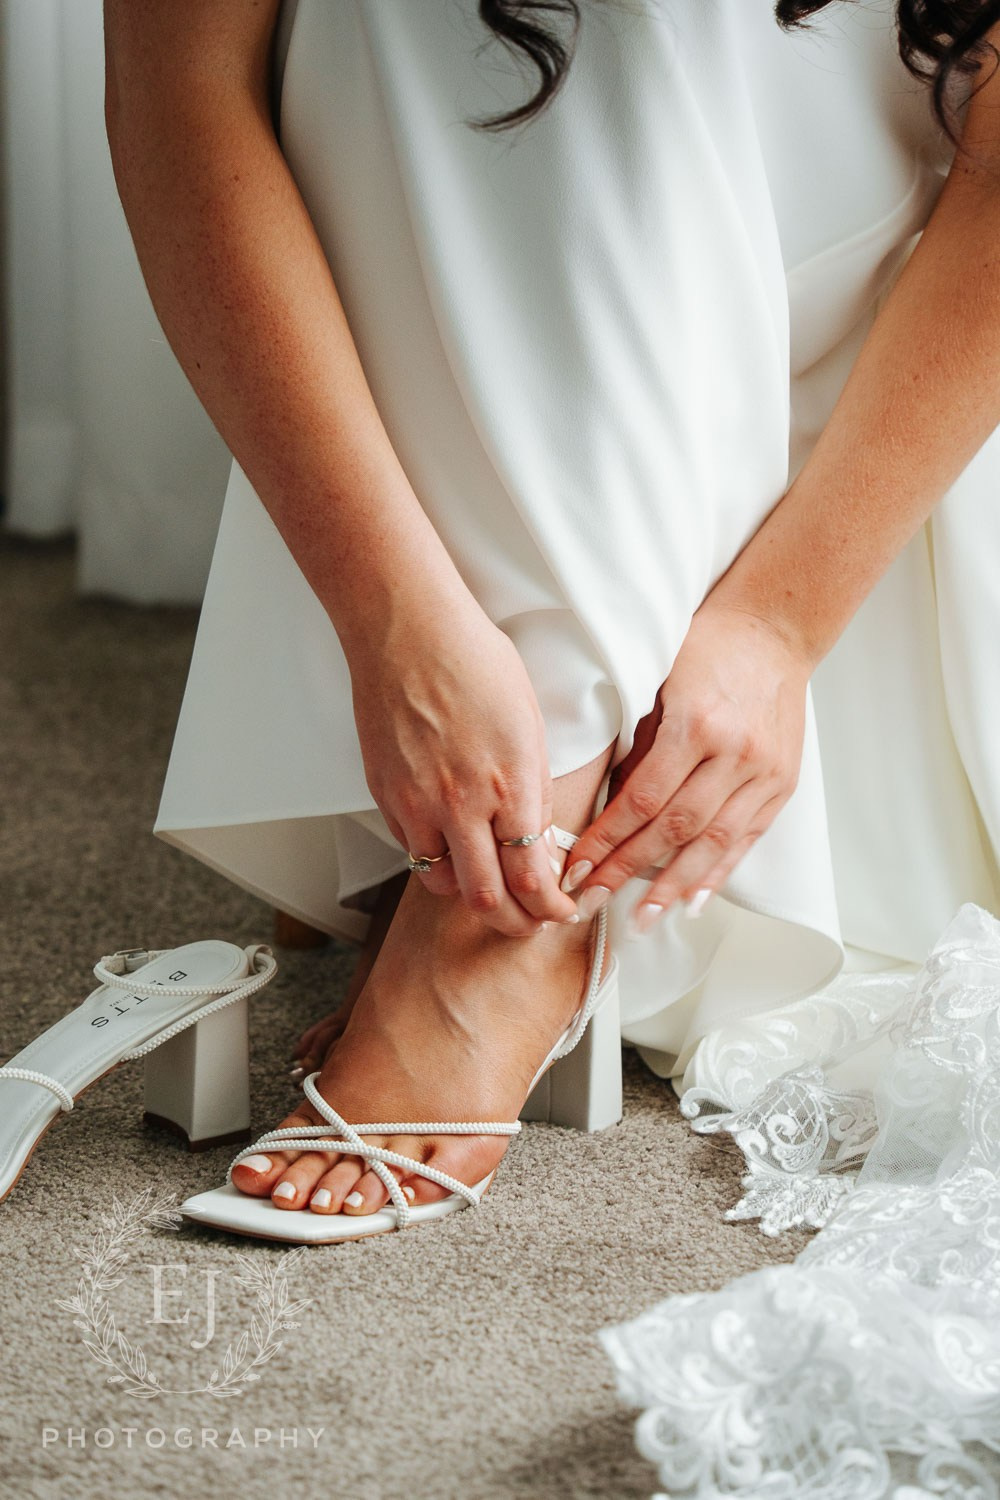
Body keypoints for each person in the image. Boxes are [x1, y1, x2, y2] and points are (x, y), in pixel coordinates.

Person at [105, 0, 1000, 1233]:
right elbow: (180, 91)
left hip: (842, 192)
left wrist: (776, 627)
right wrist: (389, 622)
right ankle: (526, 814)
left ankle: (498, 905)